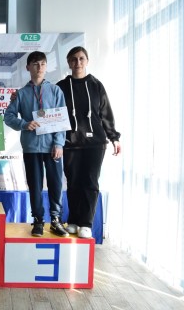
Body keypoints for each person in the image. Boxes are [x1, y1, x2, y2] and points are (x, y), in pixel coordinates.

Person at [56, 46, 121, 239]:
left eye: (81, 58)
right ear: (68, 62)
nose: (78, 62)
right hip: (70, 143)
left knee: (90, 182)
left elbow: (106, 113)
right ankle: (74, 220)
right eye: (74, 59)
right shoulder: (60, 86)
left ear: (87, 61)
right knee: (74, 182)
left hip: (95, 144)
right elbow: (51, 112)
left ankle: (86, 222)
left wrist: (114, 137)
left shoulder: (96, 85)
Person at [4, 51, 68, 237]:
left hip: (52, 148)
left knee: (56, 184)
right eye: (35, 64)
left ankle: (56, 219)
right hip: (31, 147)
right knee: (35, 185)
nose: (39, 67)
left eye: (42, 64)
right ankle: (38, 220)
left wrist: (59, 144)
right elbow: (8, 116)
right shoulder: (21, 94)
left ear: (46, 67)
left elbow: (62, 120)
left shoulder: (56, 91)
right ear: (28, 68)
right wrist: (24, 124)